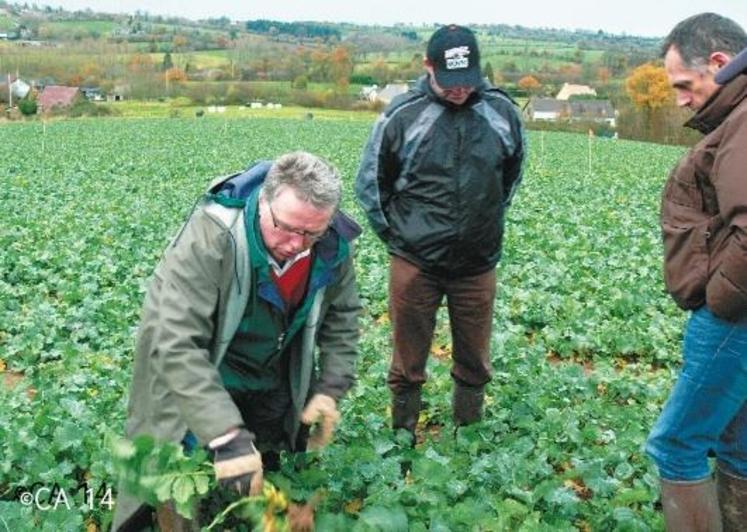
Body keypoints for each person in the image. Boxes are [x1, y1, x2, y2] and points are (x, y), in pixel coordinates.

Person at [113, 152, 362, 530]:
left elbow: (343, 317)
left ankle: (247, 506)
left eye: (312, 232)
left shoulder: (332, 247)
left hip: (269, 365)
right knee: (174, 471)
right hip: (202, 366)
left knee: (268, 455)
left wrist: (331, 386)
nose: (297, 244)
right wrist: (226, 435)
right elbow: (177, 343)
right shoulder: (211, 237)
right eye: (286, 228)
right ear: (264, 202)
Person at [355, 25, 525, 440]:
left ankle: (467, 438)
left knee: (475, 361)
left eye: (466, 81)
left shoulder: (502, 113)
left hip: (477, 266)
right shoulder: (402, 116)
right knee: (407, 363)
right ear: (428, 67)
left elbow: (510, 177)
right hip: (415, 264)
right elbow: (371, 185)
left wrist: (481, 225)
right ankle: (402, 438)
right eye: (449, 82)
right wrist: (402, 239)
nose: (458, 91)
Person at [645, 12, 747, 531]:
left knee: (677, 444)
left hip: (736, 319)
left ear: (719, 63)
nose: (681, 99)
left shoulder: (745, 121)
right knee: (739, 443)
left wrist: (720, 300)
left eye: (685, 85)